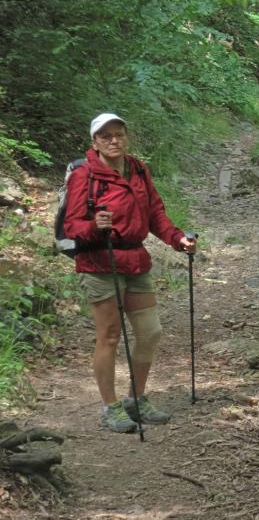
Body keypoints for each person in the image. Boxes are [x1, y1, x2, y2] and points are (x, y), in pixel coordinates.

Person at [62, 113, 196, 433]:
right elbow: (71, 226)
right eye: (105, 136)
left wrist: (178, 239)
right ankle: (110, 407)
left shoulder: (137, 169)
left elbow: (154, 213)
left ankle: (136, 398)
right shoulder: (84, 175)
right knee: (110, 335)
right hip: (99, 262)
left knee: (150, 331)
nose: (113, 140)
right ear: (94, 141)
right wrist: (95, 227)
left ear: (126, 137)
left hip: (135, 260)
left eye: (118, 134)